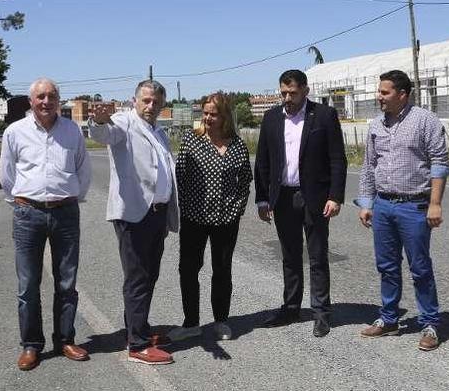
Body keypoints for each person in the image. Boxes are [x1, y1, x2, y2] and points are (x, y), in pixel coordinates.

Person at [0, 77, 92, 371]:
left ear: (59, 100)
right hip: (28, 214)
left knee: (67, 282)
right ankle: (31, 345)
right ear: (31, 101)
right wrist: (23, 201)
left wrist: (72, 198)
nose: (46, 102)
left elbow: (83, 170)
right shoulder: (15, 132)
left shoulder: (72, 131)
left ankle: (65, 339)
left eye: (52, 96)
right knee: (28, 285)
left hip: (66, 213)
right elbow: (7, 175)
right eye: (40, 96)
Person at [355, 70, 449, 351]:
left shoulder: (425, 121)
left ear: (402, 95)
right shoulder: (375, 125)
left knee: (420, 267)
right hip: (383, 205)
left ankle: (430, 324)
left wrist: (435, 203)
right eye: (379, 91)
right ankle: (389, 318)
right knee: (386, 266)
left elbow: (439, 163)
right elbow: (369, 166)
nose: (379, 97)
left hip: (415, 206)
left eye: (384, 93)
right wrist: (366, 202)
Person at [88, 79, 179, 365]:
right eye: (146, 101)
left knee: (149, 275)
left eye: (156, 102)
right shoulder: (124, 122)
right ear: (135, 100)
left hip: (157, 215)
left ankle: (137, 328)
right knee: (137, 277)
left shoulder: (159, 131)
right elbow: (104, 133)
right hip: (134, 215)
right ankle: (137, 345)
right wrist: (97, 120)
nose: (151, 106)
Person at [254, 69, 347, 338]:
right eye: (283, 92)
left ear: (305, 90)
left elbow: (337, 159)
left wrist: (335, 196)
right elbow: (263, 161)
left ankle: (321, 313)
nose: (287, 97)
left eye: (292, 93)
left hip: (315, 198)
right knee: (290, 256)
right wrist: (262, 198)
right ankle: (291, 307)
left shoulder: (324, 116)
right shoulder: (272, 118)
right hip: (282, 197)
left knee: (317, 256)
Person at [167, 93, 252, 342]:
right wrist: (185, 206)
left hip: (226, 220)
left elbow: (245, 179)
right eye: (205, 113)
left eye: (213, 114)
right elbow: (179, 177)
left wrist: (238, 208)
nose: (207, 118)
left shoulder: (237, 145)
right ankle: (191, 322)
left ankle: (221, 321)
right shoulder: (191, 141)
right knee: (189, 269)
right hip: (195, 217)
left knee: (222, 270)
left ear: (225, 116)